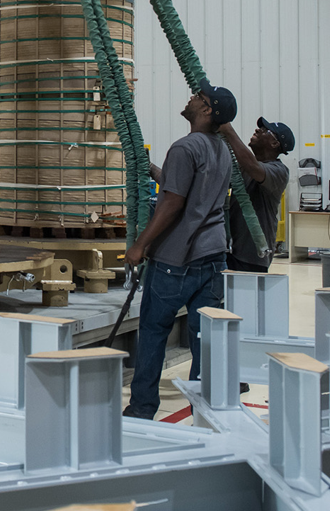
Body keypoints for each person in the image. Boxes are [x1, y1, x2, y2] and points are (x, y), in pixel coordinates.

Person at [123, 84, 237, 420]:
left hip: (176, 260)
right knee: (204, 337)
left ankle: (143, 407)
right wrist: (154, 169)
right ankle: (208, 406)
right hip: (213, 256)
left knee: (154, 332)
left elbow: (173, 202)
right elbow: (191, 188)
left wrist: (140, 245)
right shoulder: (220, 150)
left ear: (206, 110)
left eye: (197, 98)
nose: (190, 98)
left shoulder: (185, 147)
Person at [219, 117, 294, 272]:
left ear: (275, 144)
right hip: (230, 250)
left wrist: (228, 130)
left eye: (265, 130)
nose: (257, 130)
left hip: (251, 255)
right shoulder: (244, 166)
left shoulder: (279, 171)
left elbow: (254, 167)